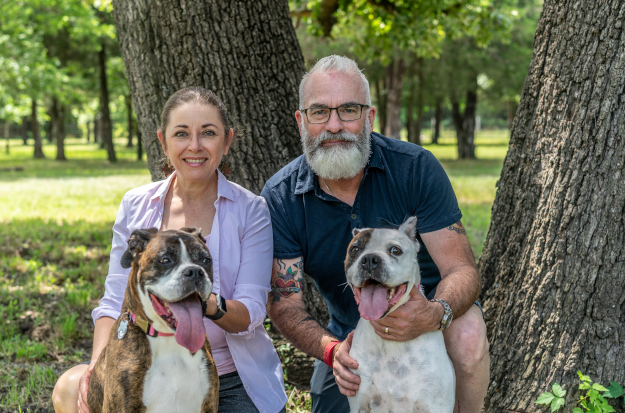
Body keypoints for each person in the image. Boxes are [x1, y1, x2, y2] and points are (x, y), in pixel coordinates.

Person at [260, 55, 490, 413]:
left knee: (468, 335)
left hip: (429, 308)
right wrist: (331, 350)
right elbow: (284, 302)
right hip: (350, 330)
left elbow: (461, 270)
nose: (334, 125)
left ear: (369, 117)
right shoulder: (281, 196)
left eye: (348, 110)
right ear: (302, 121)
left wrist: (435, 313)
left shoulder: (415, 168)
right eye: (319, 112)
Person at [52, 87, 287, 413]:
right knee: (71, 385)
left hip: (230, 374)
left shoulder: (251, 210)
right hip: (143, 356)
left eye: (208, 133)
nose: (195, 146)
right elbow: (113, 298)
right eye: (181, 134)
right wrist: (98, 367)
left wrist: (202, 301)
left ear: (227, 140)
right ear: (163, 141)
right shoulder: (136, 204)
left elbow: (250, 313)